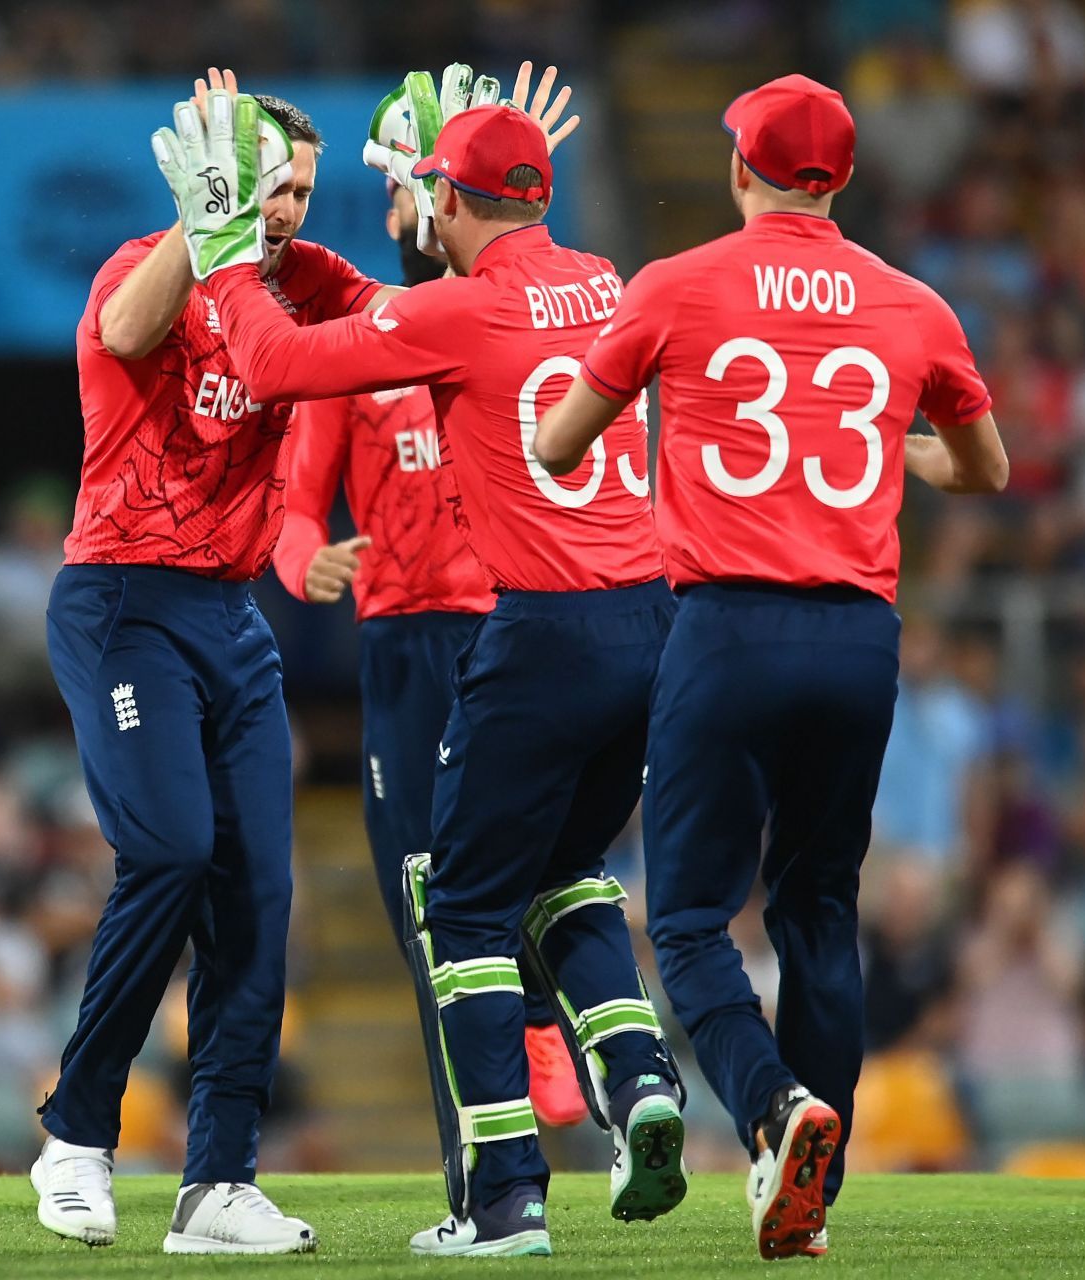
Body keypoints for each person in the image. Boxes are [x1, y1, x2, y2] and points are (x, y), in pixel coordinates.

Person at [185, 89, 688, 1256]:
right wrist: (488, 183)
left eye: (426, 191)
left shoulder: (452, 312)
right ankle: (639, 1076)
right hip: (650, 628)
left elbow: (270, 358)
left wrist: (221, 247)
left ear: (450, 199)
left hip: (536, 631)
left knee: (453, 900)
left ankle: (503, 1196)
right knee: (569, 868)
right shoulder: (607, 277)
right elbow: (518, 254)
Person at [536, 74, 1008, 1259]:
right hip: (857, 636)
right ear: (840, 178)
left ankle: (769, 1106)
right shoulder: (914, 304)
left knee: (690, 915)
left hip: (726, 626)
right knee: (820, 909)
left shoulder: (678, 284)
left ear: (739, 169)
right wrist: (870, 440)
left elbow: (557, 443)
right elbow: (984, 467)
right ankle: (811, 1194)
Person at [29, 69, 395, 1255]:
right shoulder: (146, 266)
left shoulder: (304, 282)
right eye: (268, 186)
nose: (286, 209)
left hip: (234, 617)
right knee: (172, 848)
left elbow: (397, 325)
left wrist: (449, 200)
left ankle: (217, 1182)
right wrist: (208, 223)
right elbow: (130, 331)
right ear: (209, 178)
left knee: (259, 896)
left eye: (298, 189)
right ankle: (77, 1137)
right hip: (122, 601)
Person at [270, 174, 586, 1128]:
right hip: (403, 640)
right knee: (418, 898)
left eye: (434, 187)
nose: (421, 210)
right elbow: (294, 504)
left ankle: (549, 1028)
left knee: (531, 859)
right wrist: (303, 564)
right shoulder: (370, 344)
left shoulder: (503, 318)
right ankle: (478, 1144)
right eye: (414, 191)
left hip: (504, 623)